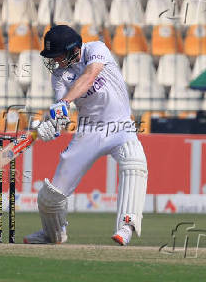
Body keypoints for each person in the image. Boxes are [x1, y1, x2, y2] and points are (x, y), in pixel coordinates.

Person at [24, 25, 148, 246]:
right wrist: (50, 125)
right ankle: (53, 234)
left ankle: (126, 226)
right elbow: (61, 113)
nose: (56, 61)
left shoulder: (96, 48)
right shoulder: (59, 75)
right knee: (50, 197)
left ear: (73, 49)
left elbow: (90, 76)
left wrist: (63, 103)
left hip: (120, 125)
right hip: (88, 131)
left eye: (59, 56)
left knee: (134, 161)